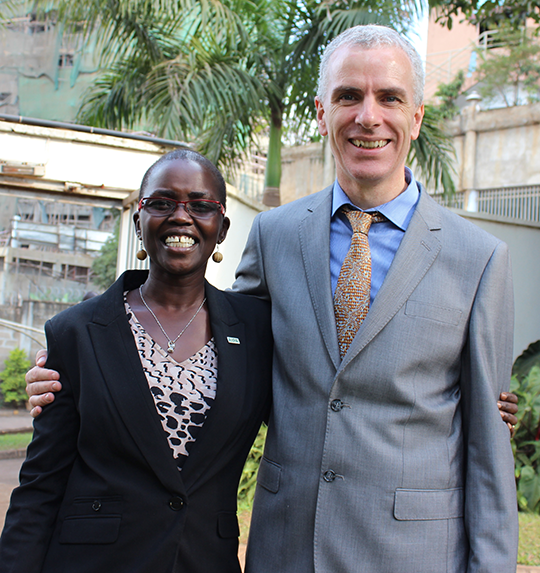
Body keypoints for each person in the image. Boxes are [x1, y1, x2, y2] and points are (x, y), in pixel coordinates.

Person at [25, 25, 520, 573]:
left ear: (417, 116)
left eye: (390, 98)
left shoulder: (479, 258)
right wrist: (79, 366)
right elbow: (220, 353)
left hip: (413, 555)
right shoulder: (275, 235)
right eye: (348, 96)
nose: (368, 116)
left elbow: (488, 456)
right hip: (285, 551)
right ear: (321, 112)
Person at [0, 149, 272, 573]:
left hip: (204, 562)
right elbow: (40, 487)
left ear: (221, 229)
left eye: (200, 205)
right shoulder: (77, 332)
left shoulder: (257, 330)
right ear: (138, 221)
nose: (181, 216)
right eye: (161, 203)